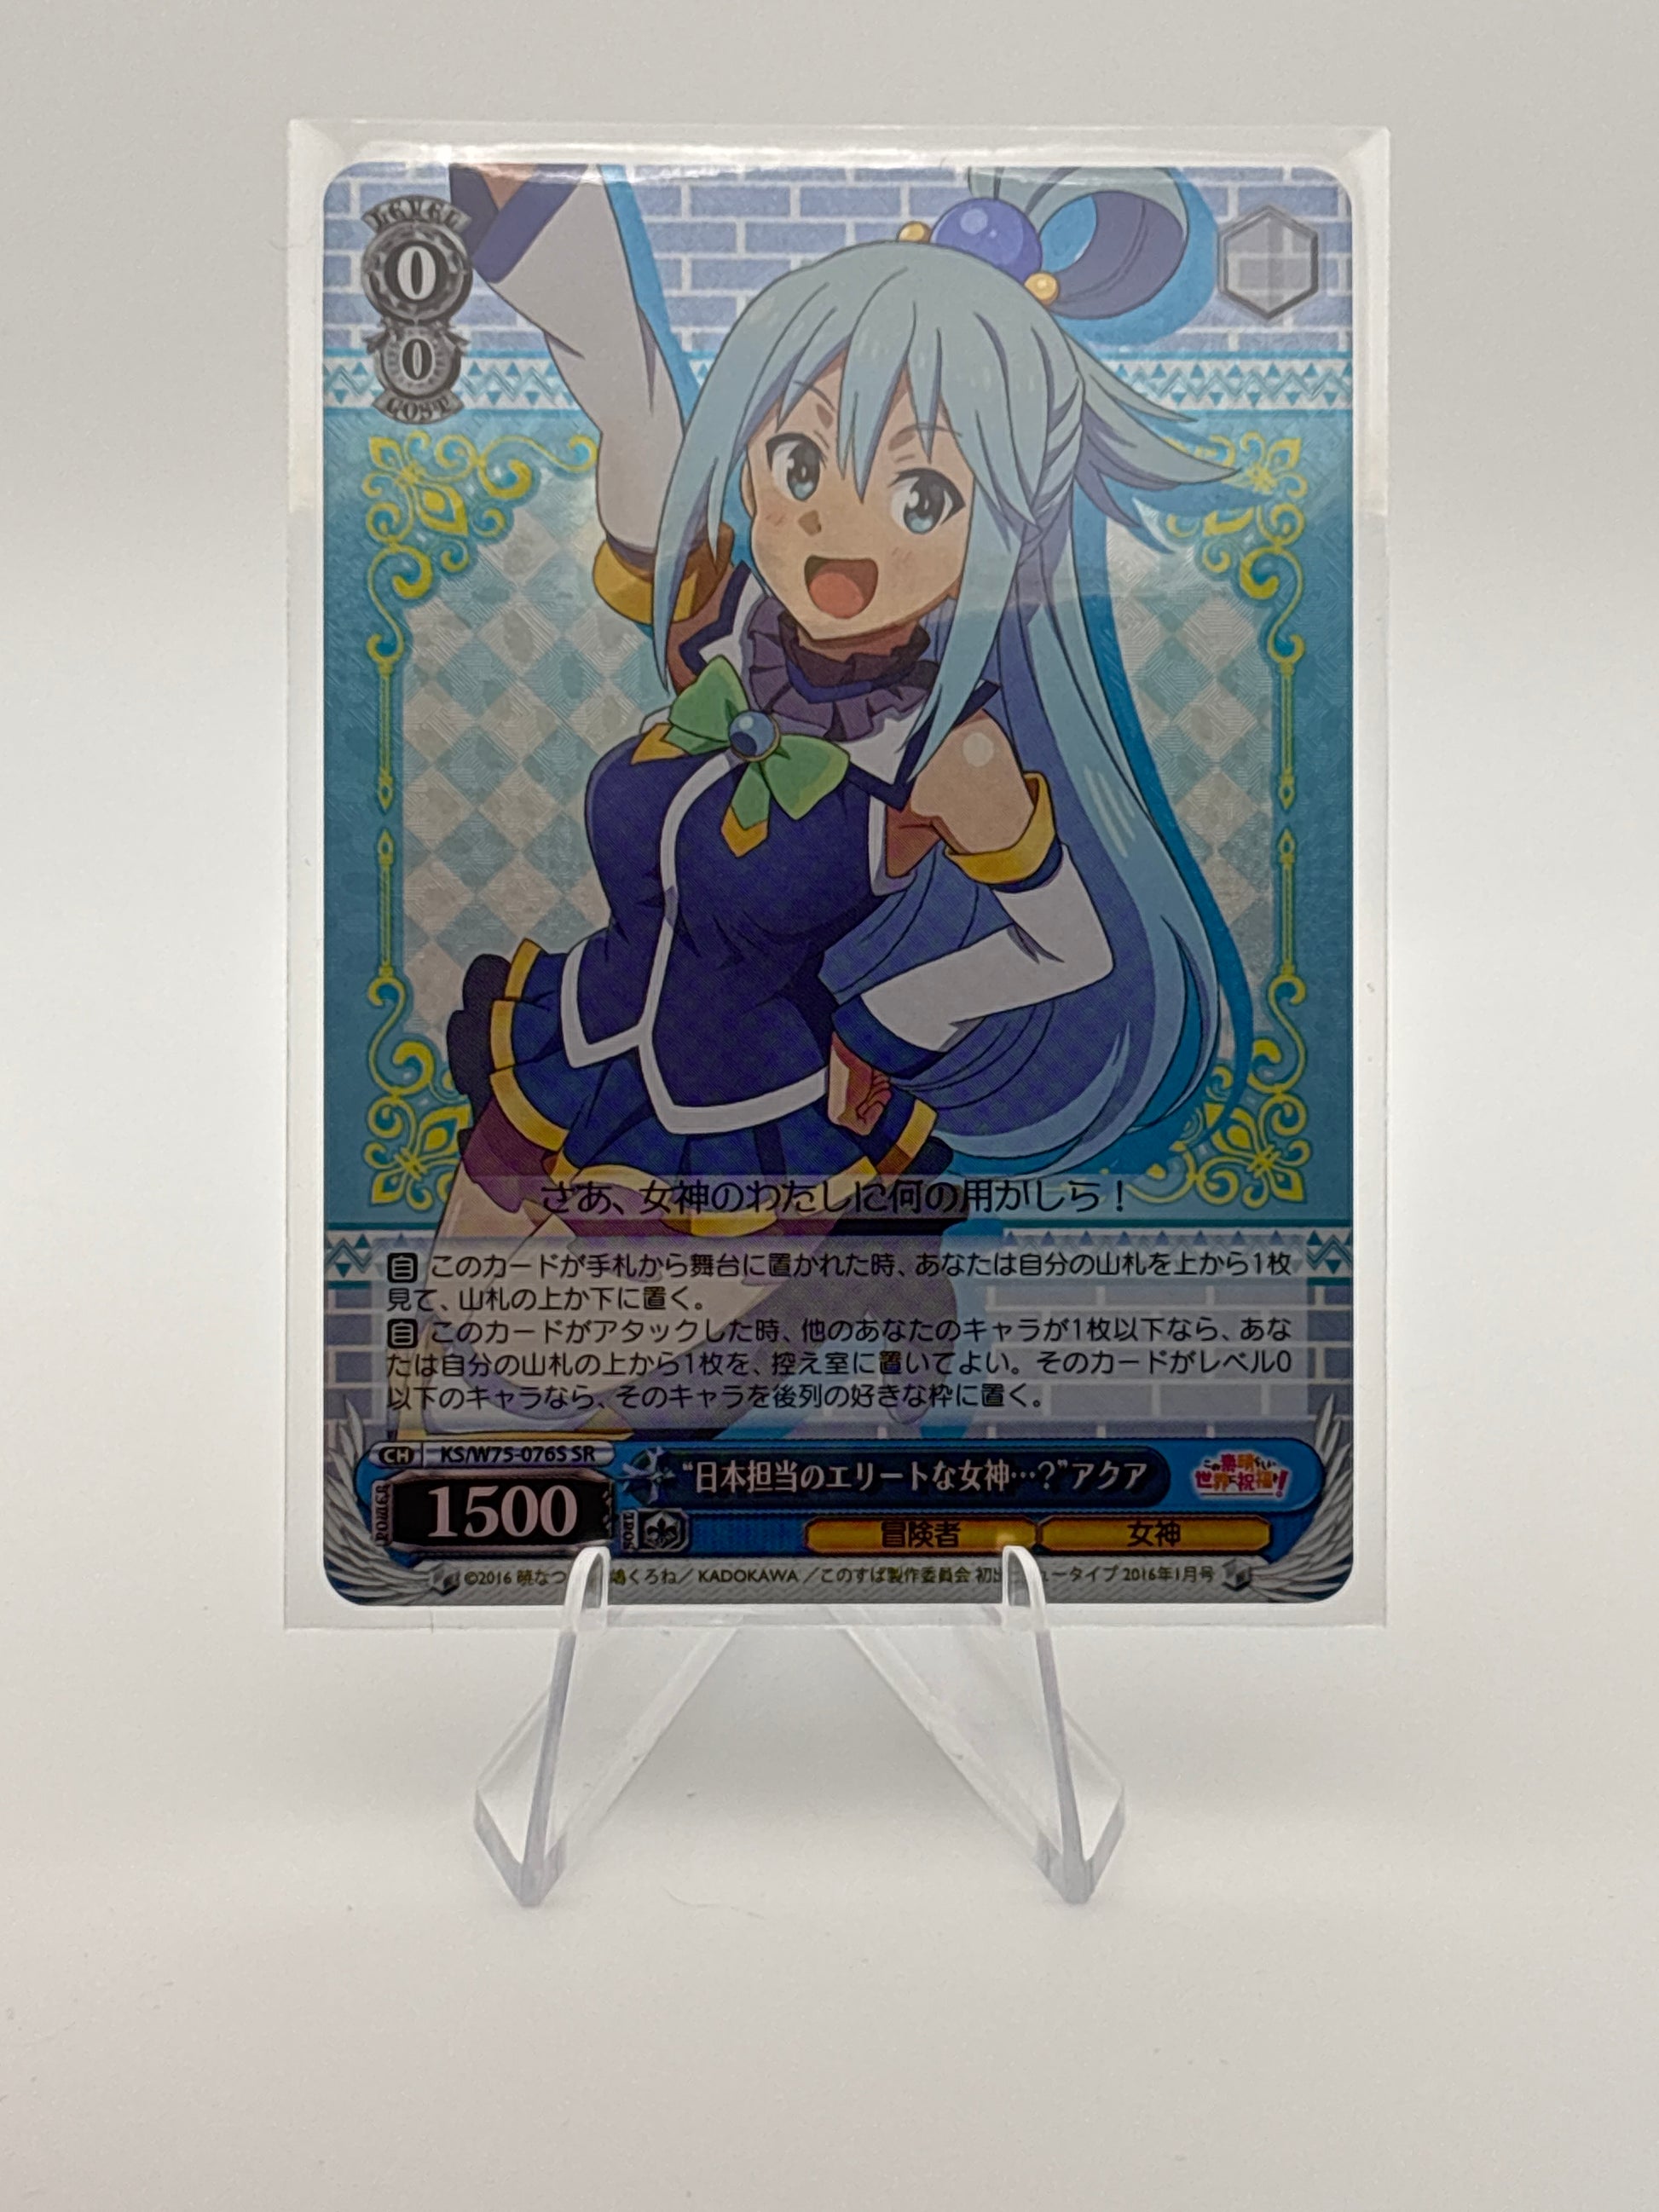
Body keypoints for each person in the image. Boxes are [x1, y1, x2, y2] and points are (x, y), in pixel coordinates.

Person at [437, 164, 1232, 1251]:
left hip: (748, 1126)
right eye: (800, 462)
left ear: (1004, 530)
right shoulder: (716, 623)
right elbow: (631, 398)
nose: (840, 537)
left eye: (922, 496)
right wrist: (542, 206)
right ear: (748, 467)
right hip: (572, 1046)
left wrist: (892, 1021)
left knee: (564, 1356)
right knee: (435, 1331)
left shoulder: (949, 754)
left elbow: (1069, 948)